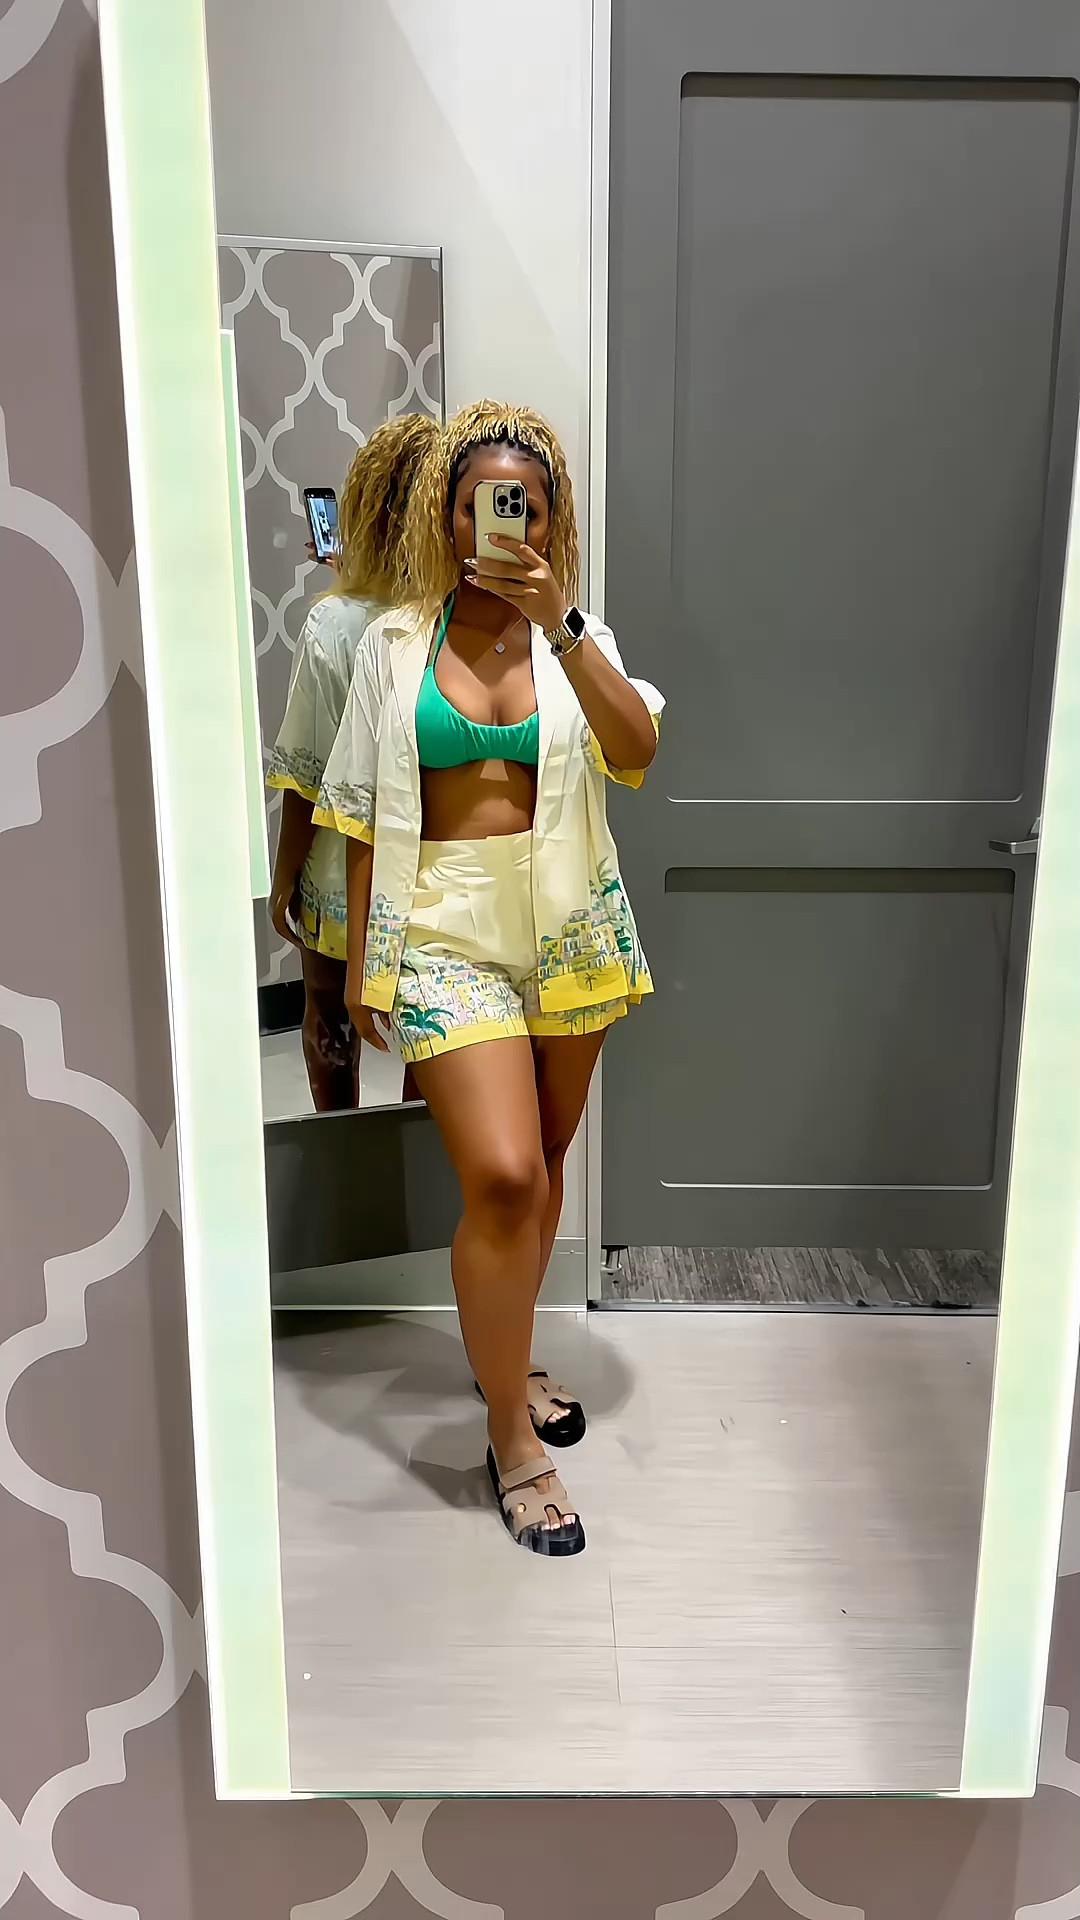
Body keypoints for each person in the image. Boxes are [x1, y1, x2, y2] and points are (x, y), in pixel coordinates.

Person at [315, 401, 663, 1553]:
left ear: (553, 521)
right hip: (443, 927)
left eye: (528, 504)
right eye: (482, 503)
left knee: (546, 1164)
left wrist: (560, 623)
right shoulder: (393, 644)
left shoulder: (577, 637)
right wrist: (362, 962)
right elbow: (356, 809)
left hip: (569, 921)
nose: (505, 521)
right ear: (448, 513)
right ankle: (511, 1437)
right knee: (506, 1176)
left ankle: (504, 1358)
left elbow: (637, 752)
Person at [266, 413, 437, 1109]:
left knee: (331, 1023)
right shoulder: (458, 618)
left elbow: (307, 774)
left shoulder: (333, 625)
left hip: (338, 878)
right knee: (432, 1036)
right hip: (429, 882)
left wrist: (284, 878)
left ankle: (343, 1158)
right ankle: (423, 1156)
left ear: (363, 507)